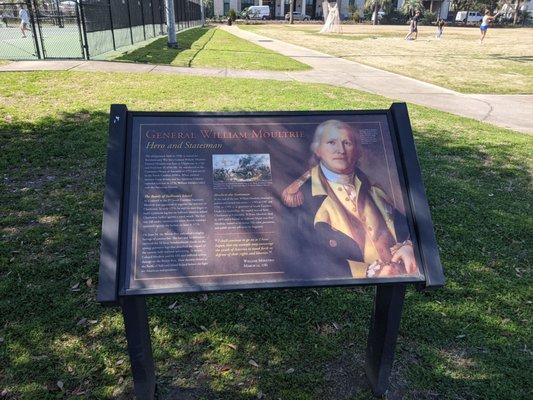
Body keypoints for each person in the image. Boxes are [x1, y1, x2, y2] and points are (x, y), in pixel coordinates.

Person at [281, 120, 418, 280]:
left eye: (347, 143)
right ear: (318, 150)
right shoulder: (303, 197)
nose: (340, 150)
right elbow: (304, 256)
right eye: (332, 142)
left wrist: (409, 247)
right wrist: (366, 272)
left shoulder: (375, 191)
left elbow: (405, 229)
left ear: (357, 151)